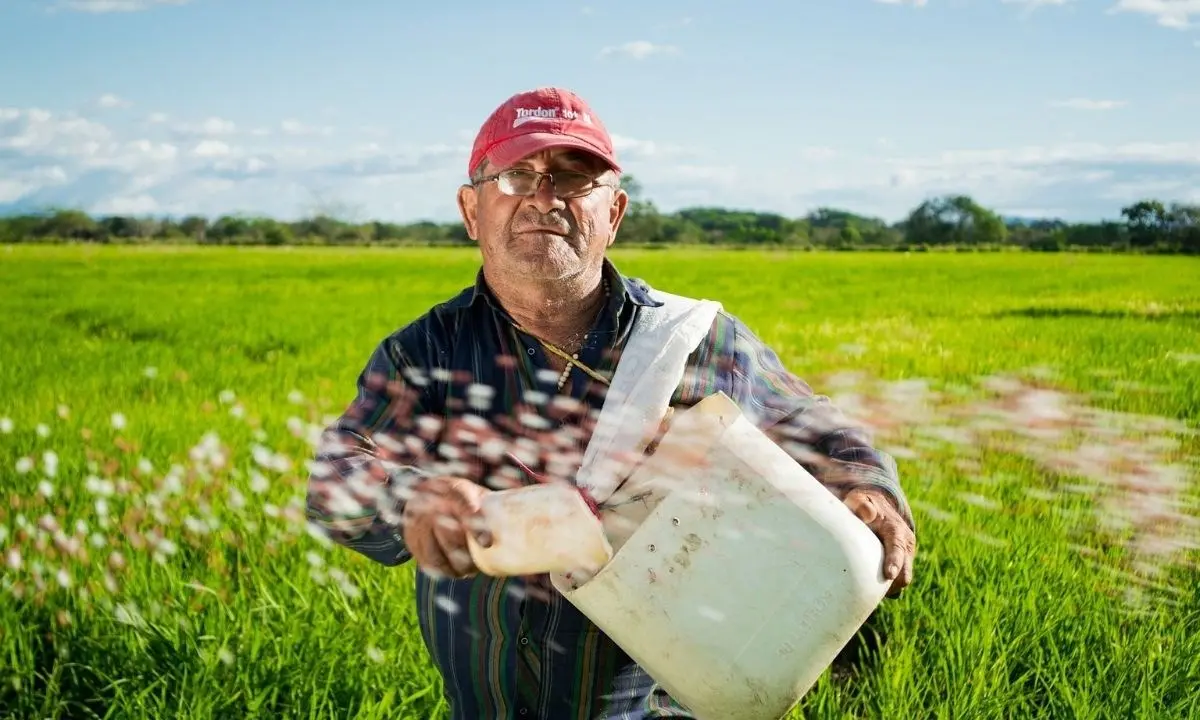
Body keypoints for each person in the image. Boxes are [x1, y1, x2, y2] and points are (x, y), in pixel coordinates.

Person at [305, 86, 917, 720]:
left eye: (575, 178)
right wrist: (408, 502)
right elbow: (336, 475)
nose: (546, 196)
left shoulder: (689, 341)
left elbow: (808, 423)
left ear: (614, 212)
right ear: (471, 210)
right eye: (517, 175)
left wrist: (869, 487)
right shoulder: (426, 351)